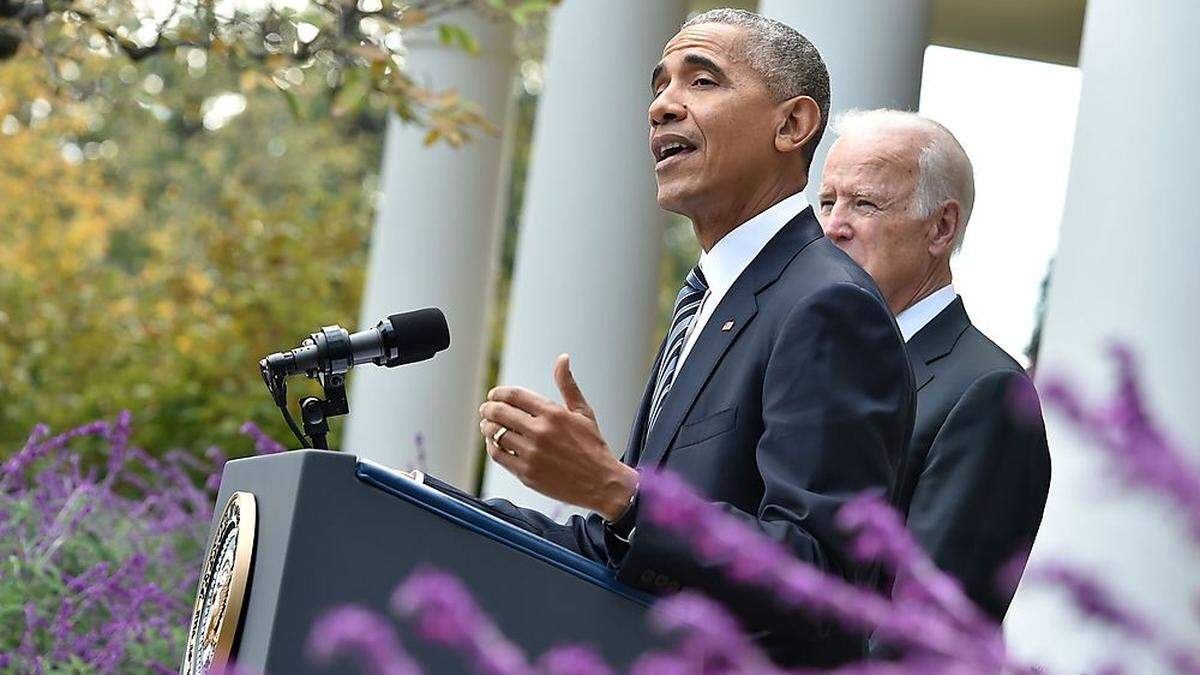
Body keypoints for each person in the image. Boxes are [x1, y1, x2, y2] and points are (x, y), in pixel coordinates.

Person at [478, 10, 914, 666]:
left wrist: (621, 493)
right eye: (659, 87)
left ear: (792, 125)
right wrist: (406, 493)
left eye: (702, 81)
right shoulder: (708, 299)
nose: (662, 107)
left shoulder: (828, 306)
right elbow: (626, 553)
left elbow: (823, 585)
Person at [817, 109, 1051, 624]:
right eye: (827, 202)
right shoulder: (808, 364)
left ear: (941, 228)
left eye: (863, 204)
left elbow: (927, 634)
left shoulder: (987, 393)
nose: (833, 227)